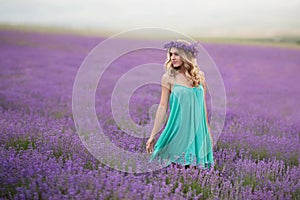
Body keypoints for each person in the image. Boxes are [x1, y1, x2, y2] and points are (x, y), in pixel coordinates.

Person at [146, 39, 214, 170]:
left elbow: (202, 106)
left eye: (176, 54)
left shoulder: (200, 76)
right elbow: (162, 107)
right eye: (170, 54)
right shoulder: (168, 77)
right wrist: (153, 135)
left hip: (198, 130)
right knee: (176, 168)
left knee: (196, 171)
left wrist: (208, 132)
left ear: (185, 56)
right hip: (178, 130)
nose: (172, 57)